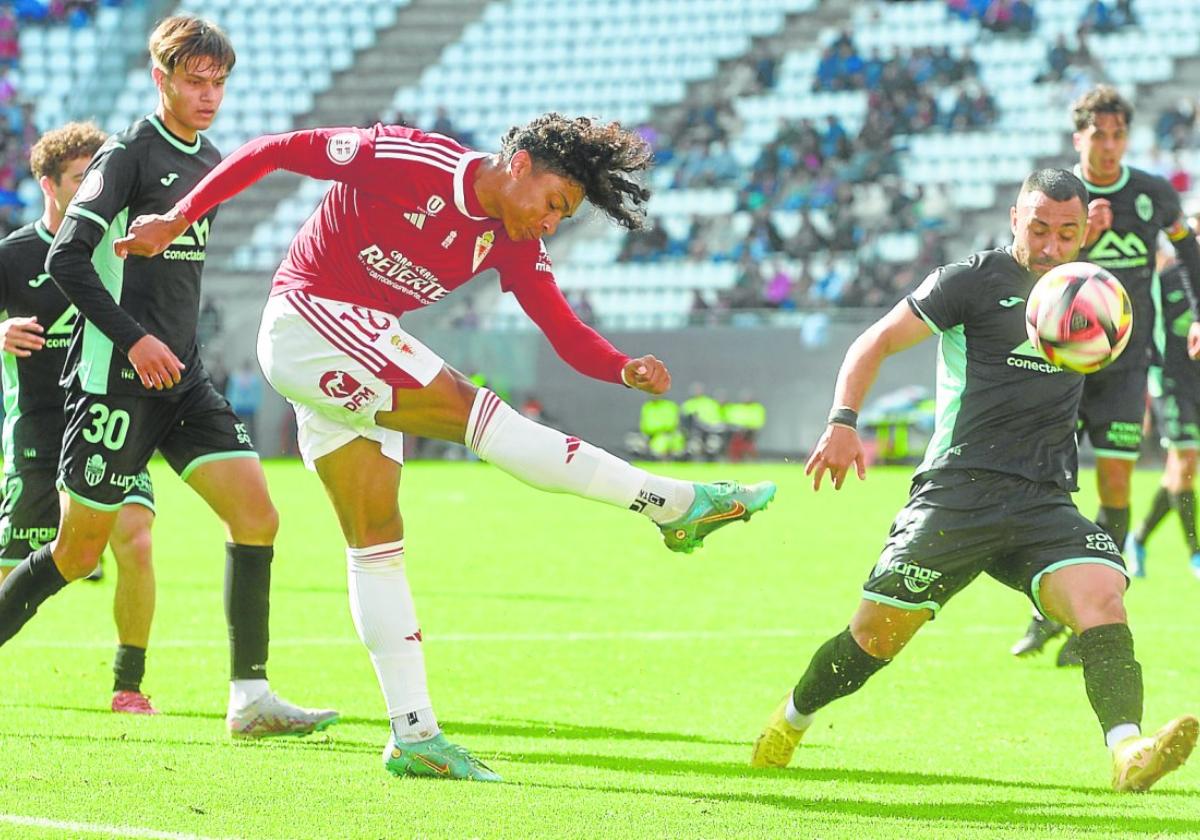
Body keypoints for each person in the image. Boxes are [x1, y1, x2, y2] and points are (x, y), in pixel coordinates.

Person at [115, 112, 776, 781]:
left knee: (376, 540)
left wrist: (620, 366)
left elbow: (564, 329)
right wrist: (177, 217)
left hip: (347, 347)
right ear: (520, 166)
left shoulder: (512, 240)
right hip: (313, 316)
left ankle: (413, 734)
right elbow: (274, 147)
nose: (550, 223)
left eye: (563, 218)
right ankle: (671, 503)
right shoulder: (410, 160)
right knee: (488, 420)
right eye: (553, 204)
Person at [751, 170, 1197, 793]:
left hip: (1043, 498)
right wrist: (842, 421)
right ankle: (791, 719)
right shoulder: (973, 280)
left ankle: (1129, 751)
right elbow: (874, 341)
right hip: (957, 490)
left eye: (1067, 233)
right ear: (1015, 217)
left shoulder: (1090, 292)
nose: (1051, 245)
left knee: (1102, 599)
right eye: (1039, 228)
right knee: (874, 639)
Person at [0, 15, 337, 737]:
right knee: (76, 552)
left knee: (258, 515)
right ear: (162, 79)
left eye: (219, 82)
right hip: (112, 382)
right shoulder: (123, 157)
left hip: (182, 382)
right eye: (194, 80)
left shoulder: (208, 158)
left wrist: (171, 349)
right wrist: (135, 342)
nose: (209, 94)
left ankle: (250, 696)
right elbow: (66, 259)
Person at [1012, 86, 1200, 664]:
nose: (1111, 146)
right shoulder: (1060, 197)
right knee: (1046, 490)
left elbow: (1188, 252)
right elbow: (1029, 271)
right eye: (1100, 135)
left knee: (1115, 488)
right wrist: (1084, 238)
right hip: (1060, 366)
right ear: (1079, 137)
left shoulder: (1153, 194)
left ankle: (1092, 620)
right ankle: (1044, 614)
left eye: (1119, 135)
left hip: (1124, 367)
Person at [0, 122, 160, 714]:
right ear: (47, 184)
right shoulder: (14, 256)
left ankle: (129, 683)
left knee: (136, 541)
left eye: (99, 175)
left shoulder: (119, 249)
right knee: (15, 560)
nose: (95, 187)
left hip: (109, 416)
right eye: (79, 178)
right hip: (39, 429)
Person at [1129, 227, 1200, 579]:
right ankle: (1196, 553)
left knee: (1179, 472)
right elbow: (1147, 337)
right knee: (1185, 460)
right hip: (1170, 384)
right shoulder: (1165, 280)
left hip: (1196, 385)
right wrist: (1142, 394)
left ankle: (1139, 538)